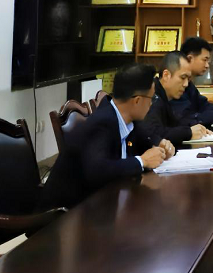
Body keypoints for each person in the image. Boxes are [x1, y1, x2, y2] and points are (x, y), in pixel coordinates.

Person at [41, 63, 175, 209]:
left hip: (102, 203)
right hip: (66, 213)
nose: (152, 104)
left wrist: (160, 145)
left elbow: (146, 137)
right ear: (137, 100)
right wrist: (142, 161)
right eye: (152, 98)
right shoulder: (101, 123)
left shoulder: (127, 118)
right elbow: (98, 171)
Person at [143, 51, 213, 145]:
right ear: (166, 75)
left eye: (188, 79)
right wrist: (188, 132)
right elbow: (153, 133)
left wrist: (197, 129)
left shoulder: (165, 96)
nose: (186, 84)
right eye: (183, 77)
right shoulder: (152, 97)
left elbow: (174, 123)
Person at [175, 37, 213, 124]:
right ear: (189, 59)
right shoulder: (176, 85)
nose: (207, 65)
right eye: (204, 60)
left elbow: (203, 105)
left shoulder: (189, 84)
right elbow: (186, 118)